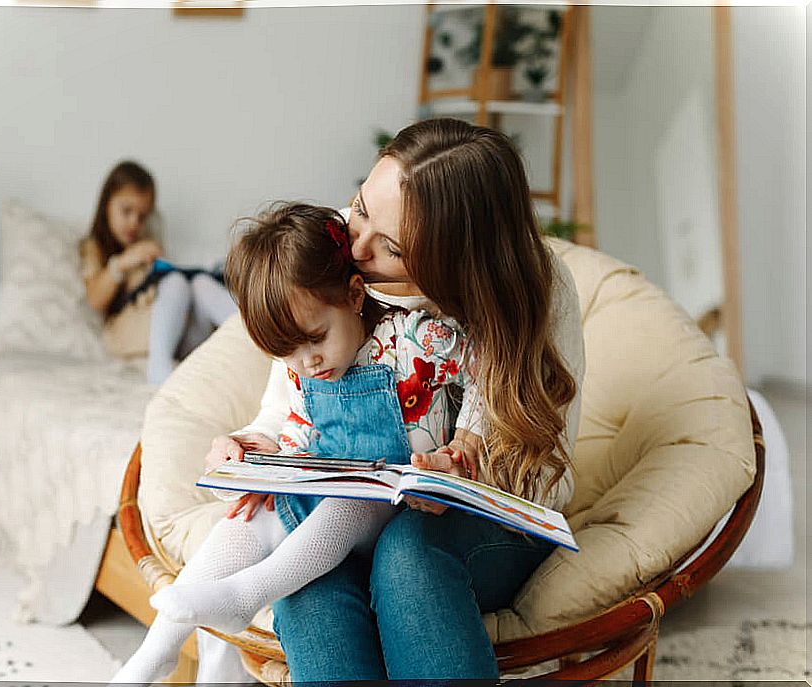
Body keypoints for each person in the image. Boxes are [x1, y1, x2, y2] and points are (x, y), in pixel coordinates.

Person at [204, 118, 586, 680]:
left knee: (409, 552)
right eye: (361, 206)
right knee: (307, 573)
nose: (356, 248)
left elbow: (542, 477)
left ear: (455, 267)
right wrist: (252, 443)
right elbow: (292, 399)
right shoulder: (342, 247)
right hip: (357, 506)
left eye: (391, 249)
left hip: (490, 514)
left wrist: (460, 479)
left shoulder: (532, 292)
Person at [110, 202, 478, 686]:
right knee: (248, 517)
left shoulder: (413, 337)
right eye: (288, 353)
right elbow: (289, 427)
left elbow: (488, 365)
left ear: (352, 294)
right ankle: (157, 648)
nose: (308, 363)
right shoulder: (298, 366)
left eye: (316, 339)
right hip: (324, 486)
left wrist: (466, 439)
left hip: (394, 506)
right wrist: (252, 451)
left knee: (350, 497)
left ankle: (246, 596)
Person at [80, 161, 236, 384]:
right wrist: (123, 263)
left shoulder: (147, 240)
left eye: (142, 216)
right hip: (129, 332)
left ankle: (261, 337)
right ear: (106, 205)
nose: (134, 222)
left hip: (175, 331)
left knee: (201, 281)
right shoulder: (94, 246)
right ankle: (159, 371)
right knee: (175, 283)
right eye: (126, 211)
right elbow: (95, 299)